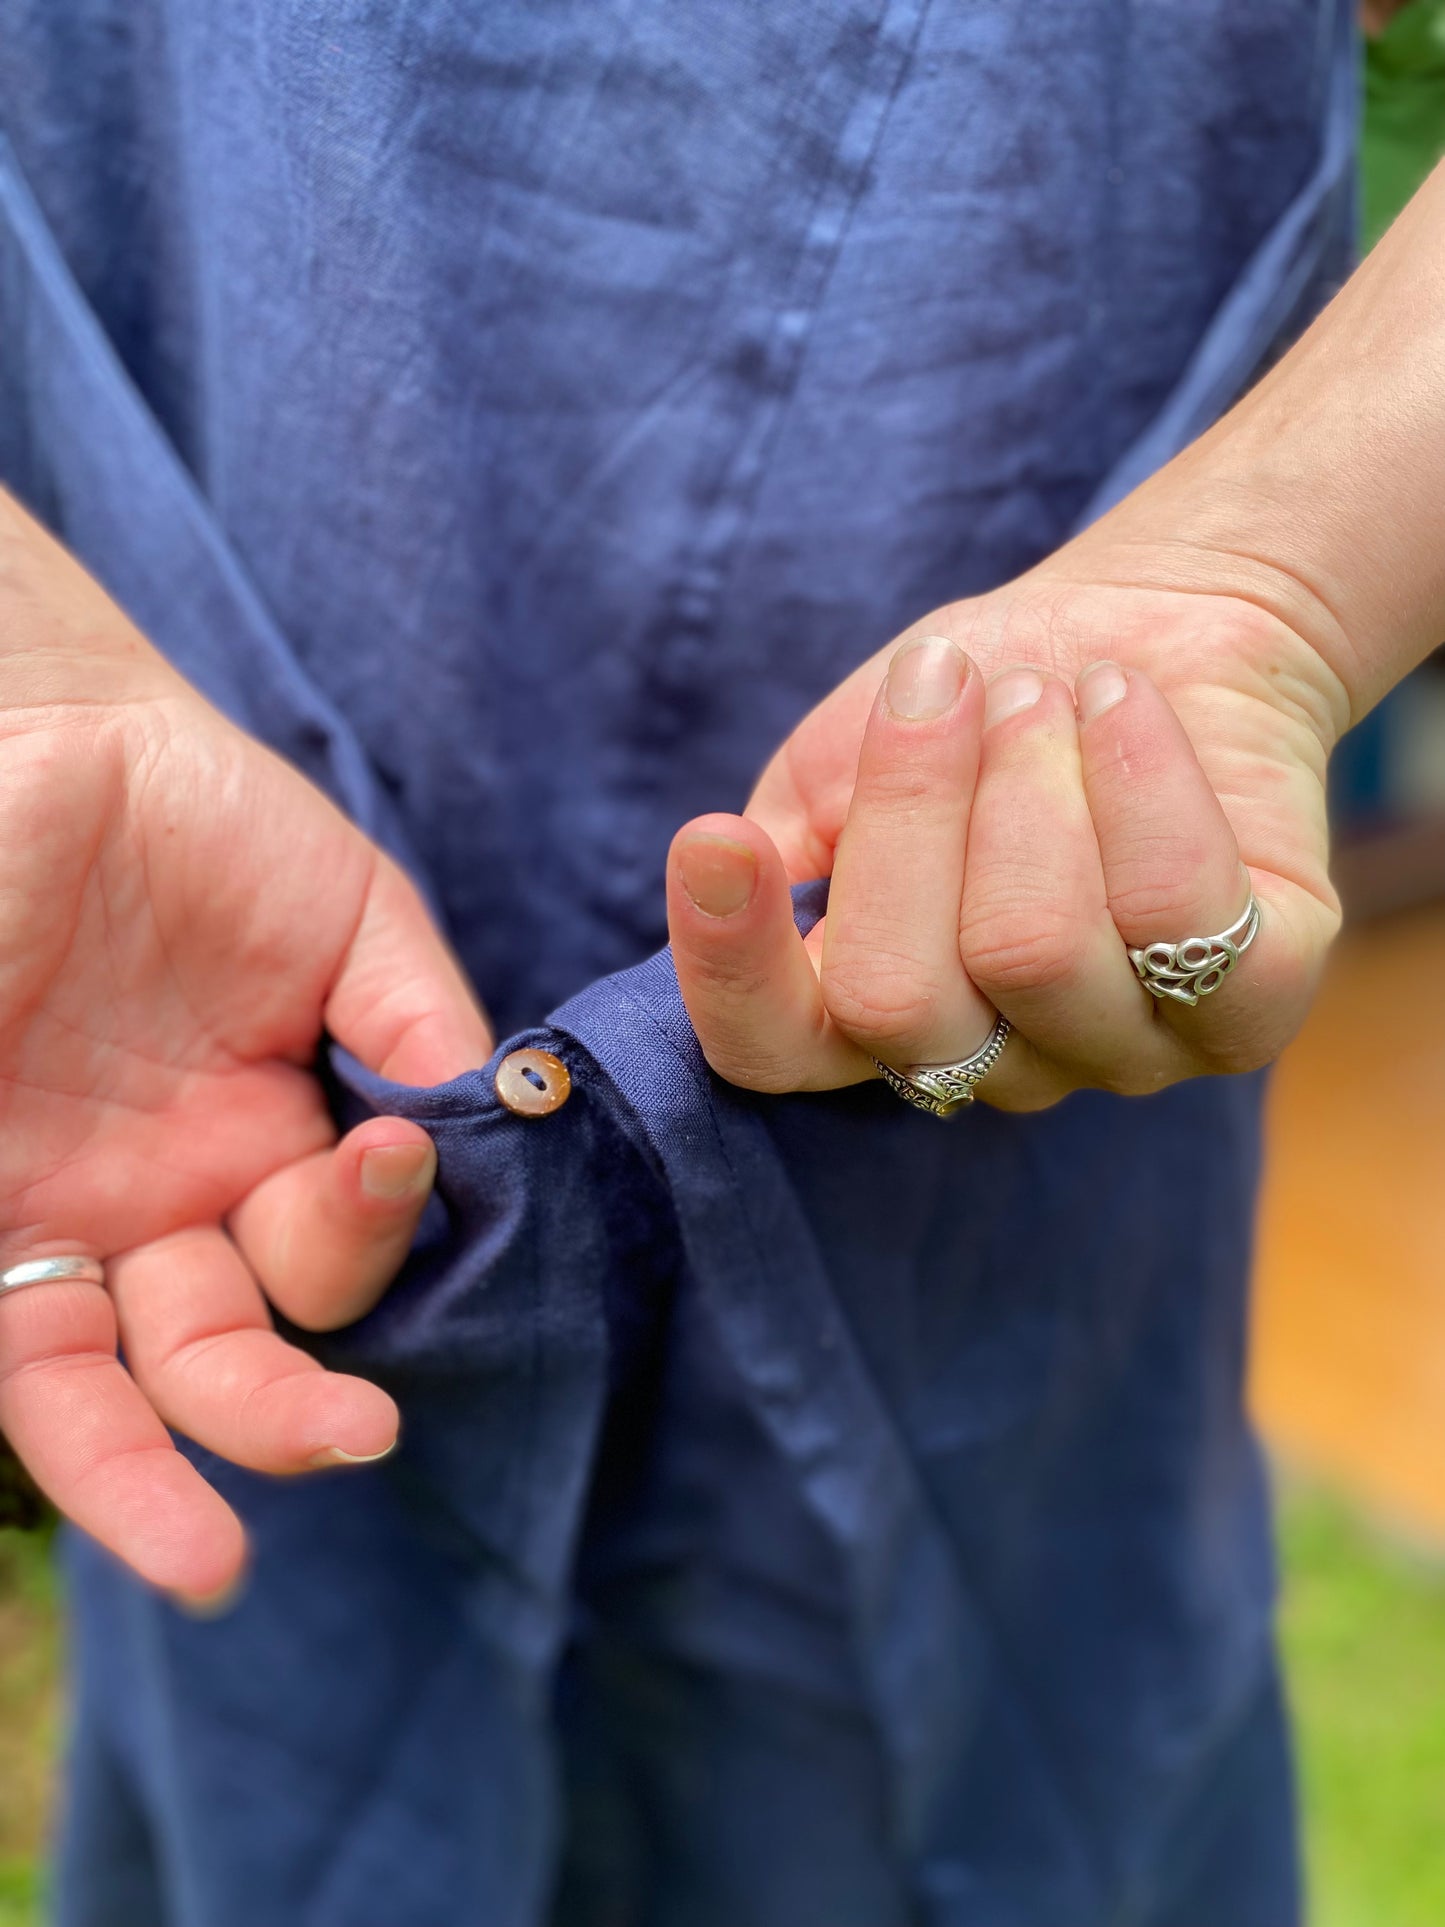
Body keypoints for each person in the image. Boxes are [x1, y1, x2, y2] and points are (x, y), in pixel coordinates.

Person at [1, 4, 1438, 1922]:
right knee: (293, 1667)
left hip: (1012, 670)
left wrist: (1280, 567)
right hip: (182, 570)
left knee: (941, 1679)